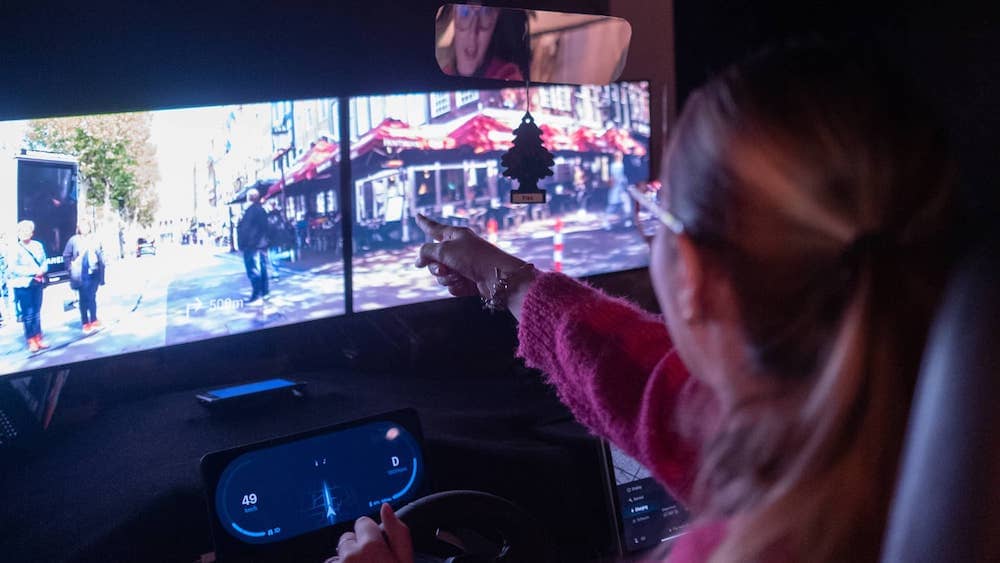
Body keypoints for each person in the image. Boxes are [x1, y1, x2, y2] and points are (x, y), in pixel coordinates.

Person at [333, 42, 958, 562]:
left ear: (692, 274)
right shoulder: (935, 444)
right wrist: (508, 278)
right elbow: (654, 386)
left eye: (656, 211)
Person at [437, 5, 528, 81]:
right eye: (465, 12)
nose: (472, 34)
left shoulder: (508, 76)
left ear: (494, 22)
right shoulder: (439, 74)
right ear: (454, 16)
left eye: (486, 12)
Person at [7, 220, 50, 353]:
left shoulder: (38, 245)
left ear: (32, 233)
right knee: (28, 314)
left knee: (37, 312)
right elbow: (13, 268)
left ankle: (38, 337)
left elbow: (44, 262)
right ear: (18, 233)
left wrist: (42, 270)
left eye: (27, 231)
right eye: (22, 231)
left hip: (37, 283)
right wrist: (33, 272)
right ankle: (31, 339)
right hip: (22, 285)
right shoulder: (14, 248)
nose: (25, 233)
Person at [63, 225, 106, 334]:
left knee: (92, 297)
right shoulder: (74, 240)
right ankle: (85, 322)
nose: (84, 228)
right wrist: (70, 266)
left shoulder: (95, 239)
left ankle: (94, 319)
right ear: (79, 228)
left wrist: (102, 270)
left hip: (94, 272)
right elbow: (66, 255)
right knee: (83, 299)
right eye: (82, 226)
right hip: (80, 274)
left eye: (86, 226)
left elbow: (101, 254)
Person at [236, 188, 270, 304]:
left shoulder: (250, 211)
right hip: (261, 244)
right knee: (262, 267)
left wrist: (244, 244)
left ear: (249, 198)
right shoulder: (261, 210)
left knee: (253, 269)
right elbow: (265, 228)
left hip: (252, 245)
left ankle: (257, 293)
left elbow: (246, 230)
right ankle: (264, 291)